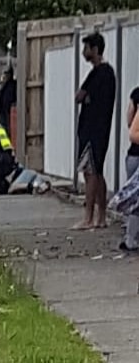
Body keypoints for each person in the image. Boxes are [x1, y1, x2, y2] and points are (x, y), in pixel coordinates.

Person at [73, 32, 116, 230]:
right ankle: (102, 217)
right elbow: (82, 96)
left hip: (93, 130)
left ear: (95, 50)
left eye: (86, 48)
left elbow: (80, 96)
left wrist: (86, 97)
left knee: (89, 172)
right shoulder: (103, 73)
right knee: (97, 172)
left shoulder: (101, 73)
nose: (84, 52)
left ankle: (88, 217)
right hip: (100, 130)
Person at [119, 87, 139, 250]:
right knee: (135, 200)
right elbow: (132, 131)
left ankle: (130, 237)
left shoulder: (136, 94)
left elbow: (129, 120)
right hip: (136, 157)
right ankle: (130, 238)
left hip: (133, 155)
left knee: (133, 199)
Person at [0, 67, 17, 135]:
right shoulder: (4, 85)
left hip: (9, 112)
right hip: (3, 111)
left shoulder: (12, 85)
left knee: (8, 131)